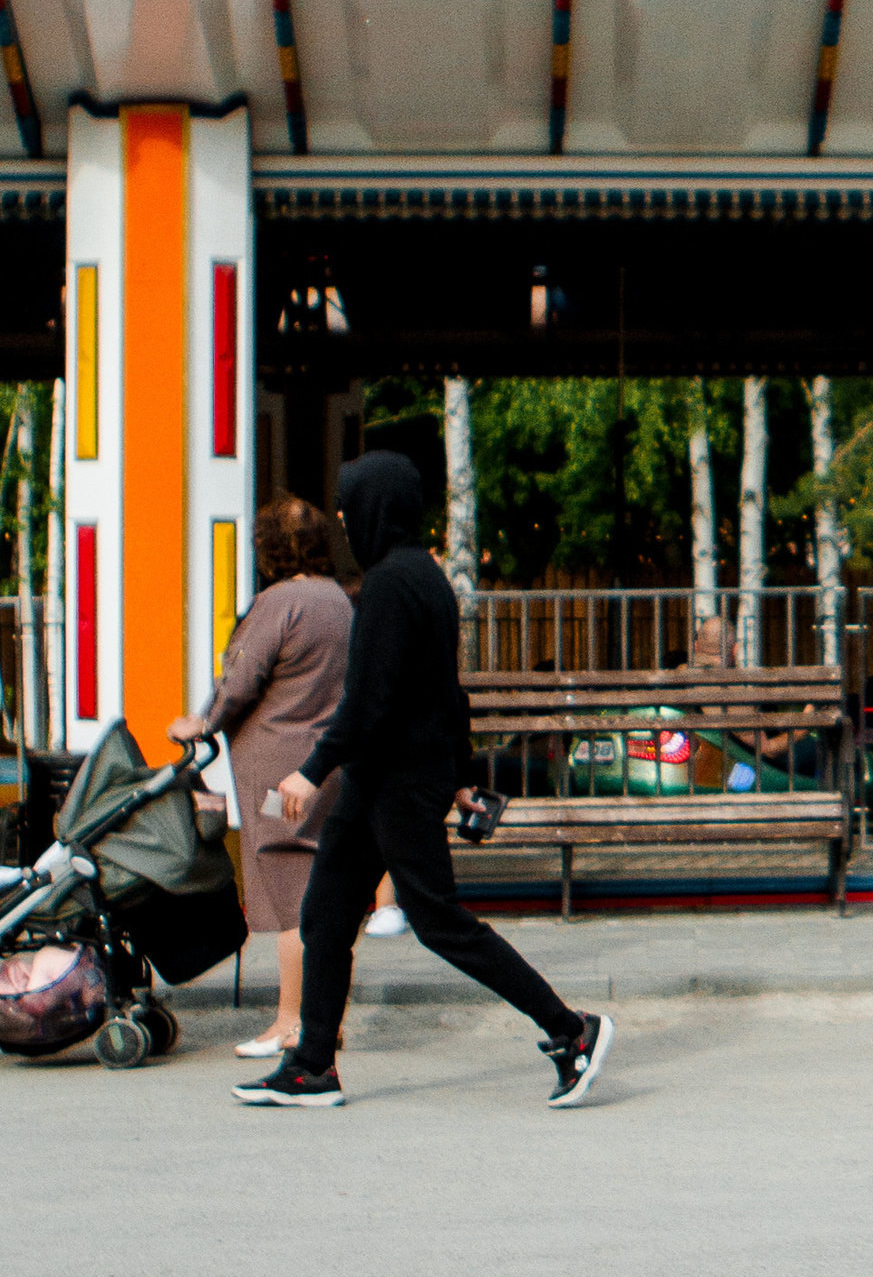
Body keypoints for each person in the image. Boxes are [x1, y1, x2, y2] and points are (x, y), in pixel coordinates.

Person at [233, 452, 611, 1114]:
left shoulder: (387, 585)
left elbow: (370, 701)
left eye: (351, 506)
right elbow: (447, 694)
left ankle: (572, 1031)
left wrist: (309, 770)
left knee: (439, 921)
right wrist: (462, 776)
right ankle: (312, 1066)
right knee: (326, 914)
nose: (346, 520)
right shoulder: (427, 580)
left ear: (376, 509)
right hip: (386, 779)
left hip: (398, 782)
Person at [176, 494, 353, 1060]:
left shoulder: (278, 604)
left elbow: (242, 680)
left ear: (269, 549)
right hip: (324, 769)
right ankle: (326, 1020)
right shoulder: (340, 602)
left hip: (276, 780)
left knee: (286, 889)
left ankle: (289, 1022)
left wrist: (201, 724)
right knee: (319, 891)